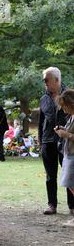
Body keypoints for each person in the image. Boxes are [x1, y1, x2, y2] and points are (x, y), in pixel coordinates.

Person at [39, 67, 74, 215]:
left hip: (66, 141)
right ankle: (51, 204)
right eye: (44, 80)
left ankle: (72, 206)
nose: (45, 82)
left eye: (47, 80)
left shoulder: (69, 96)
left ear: (57, 80)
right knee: (50, 175)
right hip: (48, 140)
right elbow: (41, 121)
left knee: (70, 174)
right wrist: (40, 140)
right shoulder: (43, 99)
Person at [54, 90, 74, 226]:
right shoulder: (71, 117)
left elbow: (71, 135)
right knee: (70, 184)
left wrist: (66, 135)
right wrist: (63, 129)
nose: (63, 108)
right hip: (69, 153)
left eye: (64, 105)